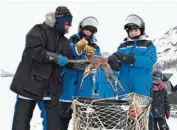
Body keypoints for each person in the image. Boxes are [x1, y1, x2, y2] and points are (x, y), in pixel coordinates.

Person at [10, 6, 74, 130]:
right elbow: (34, 51)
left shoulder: (65, 42)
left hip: (51, 88)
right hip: (29, 84)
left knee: (54, 125)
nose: (69, 26)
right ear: (58, 21)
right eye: (67, 23)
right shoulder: (38, 30)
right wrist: (55, 57)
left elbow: (70, 61)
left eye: (70, 24)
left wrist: (87, 62)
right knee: (21, 122)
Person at [108, 14, 157, 97]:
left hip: (141, 86)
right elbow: (118, 64)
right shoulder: (122, 46)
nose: (133, 32)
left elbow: (150, 60)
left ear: (141, 30)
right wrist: (115, 65)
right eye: (131, 31)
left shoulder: (148, 44)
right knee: (124, 109)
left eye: (136, 30)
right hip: (124, 87)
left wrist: (132, 59)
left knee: (140, 109)